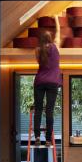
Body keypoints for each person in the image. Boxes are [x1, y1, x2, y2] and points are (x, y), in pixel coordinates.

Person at [33, 16, 62, 147]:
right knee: (49, 110)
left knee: (38, 110)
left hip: (39, 82)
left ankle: (37, 137)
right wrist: (56, 18)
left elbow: (38, 61)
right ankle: (49, 140)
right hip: (53, 82)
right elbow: (59, 31)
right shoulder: (56, 47)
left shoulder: (38, 50)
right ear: (51, 39)